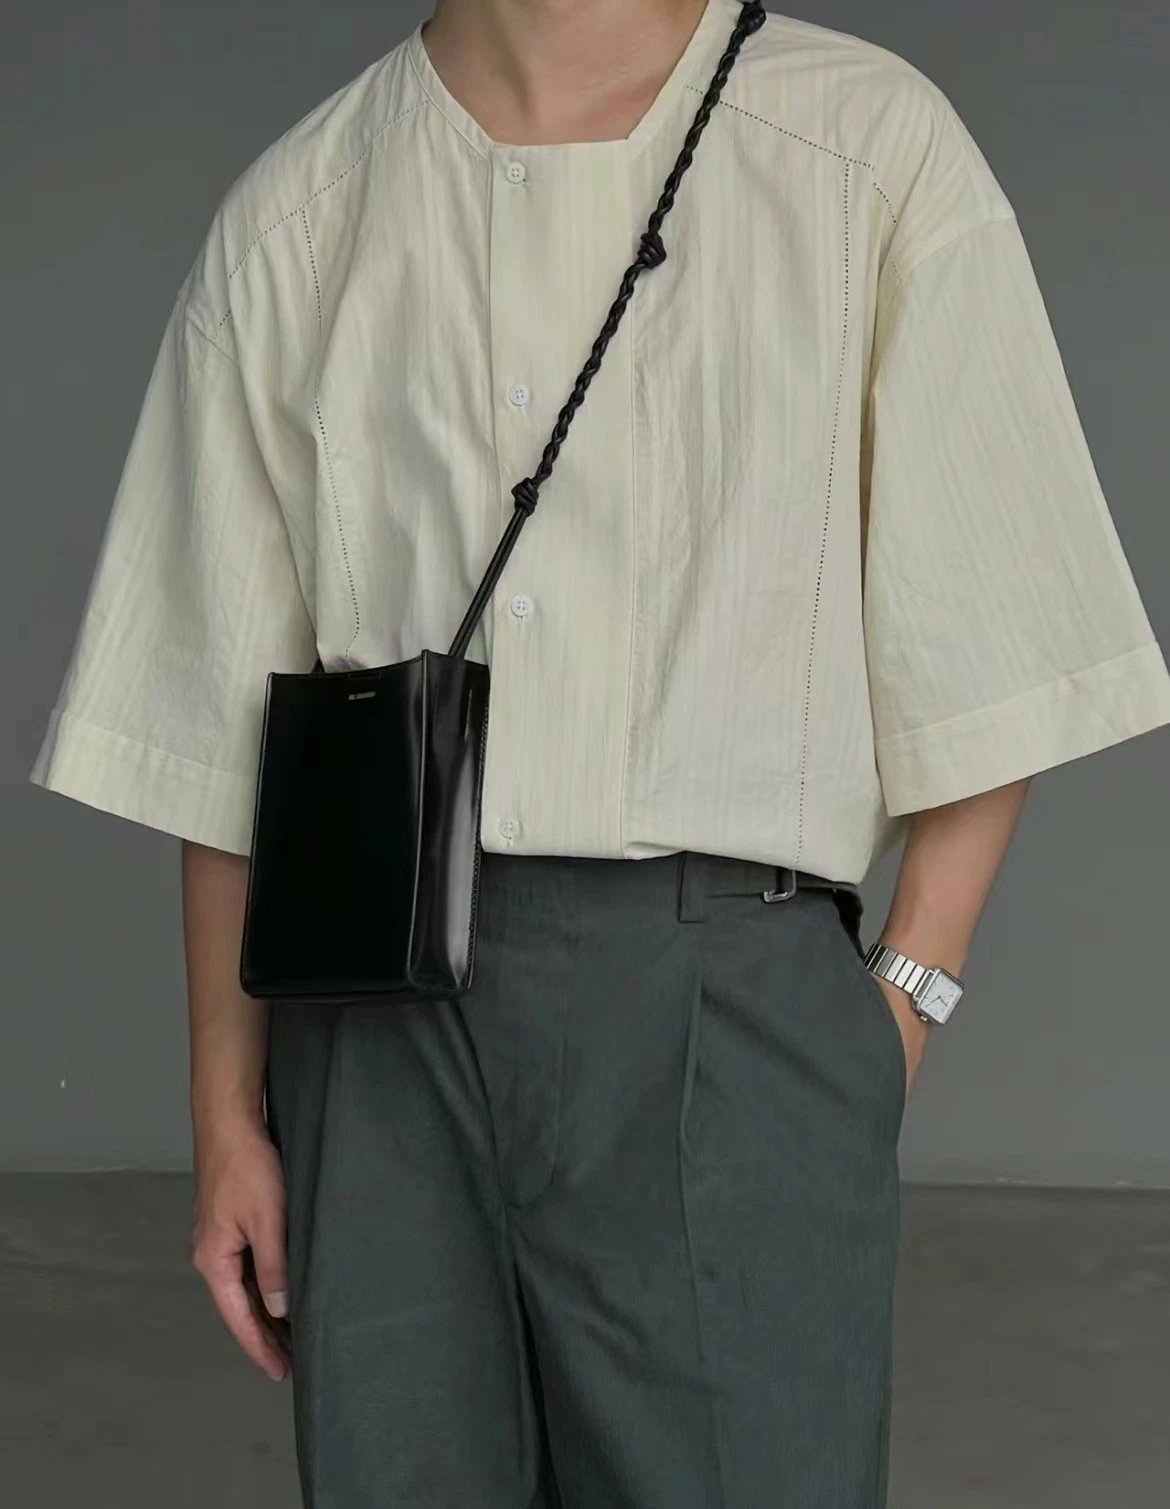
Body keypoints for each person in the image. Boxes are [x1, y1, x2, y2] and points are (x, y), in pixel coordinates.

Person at [27, 0, 1170, 1504]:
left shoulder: (863, 149)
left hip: (725, 1001)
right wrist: (225, 1117)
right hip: (374, 1029)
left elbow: (1000, 630)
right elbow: (217, 725)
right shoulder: (302, 210)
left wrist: (902, 997)